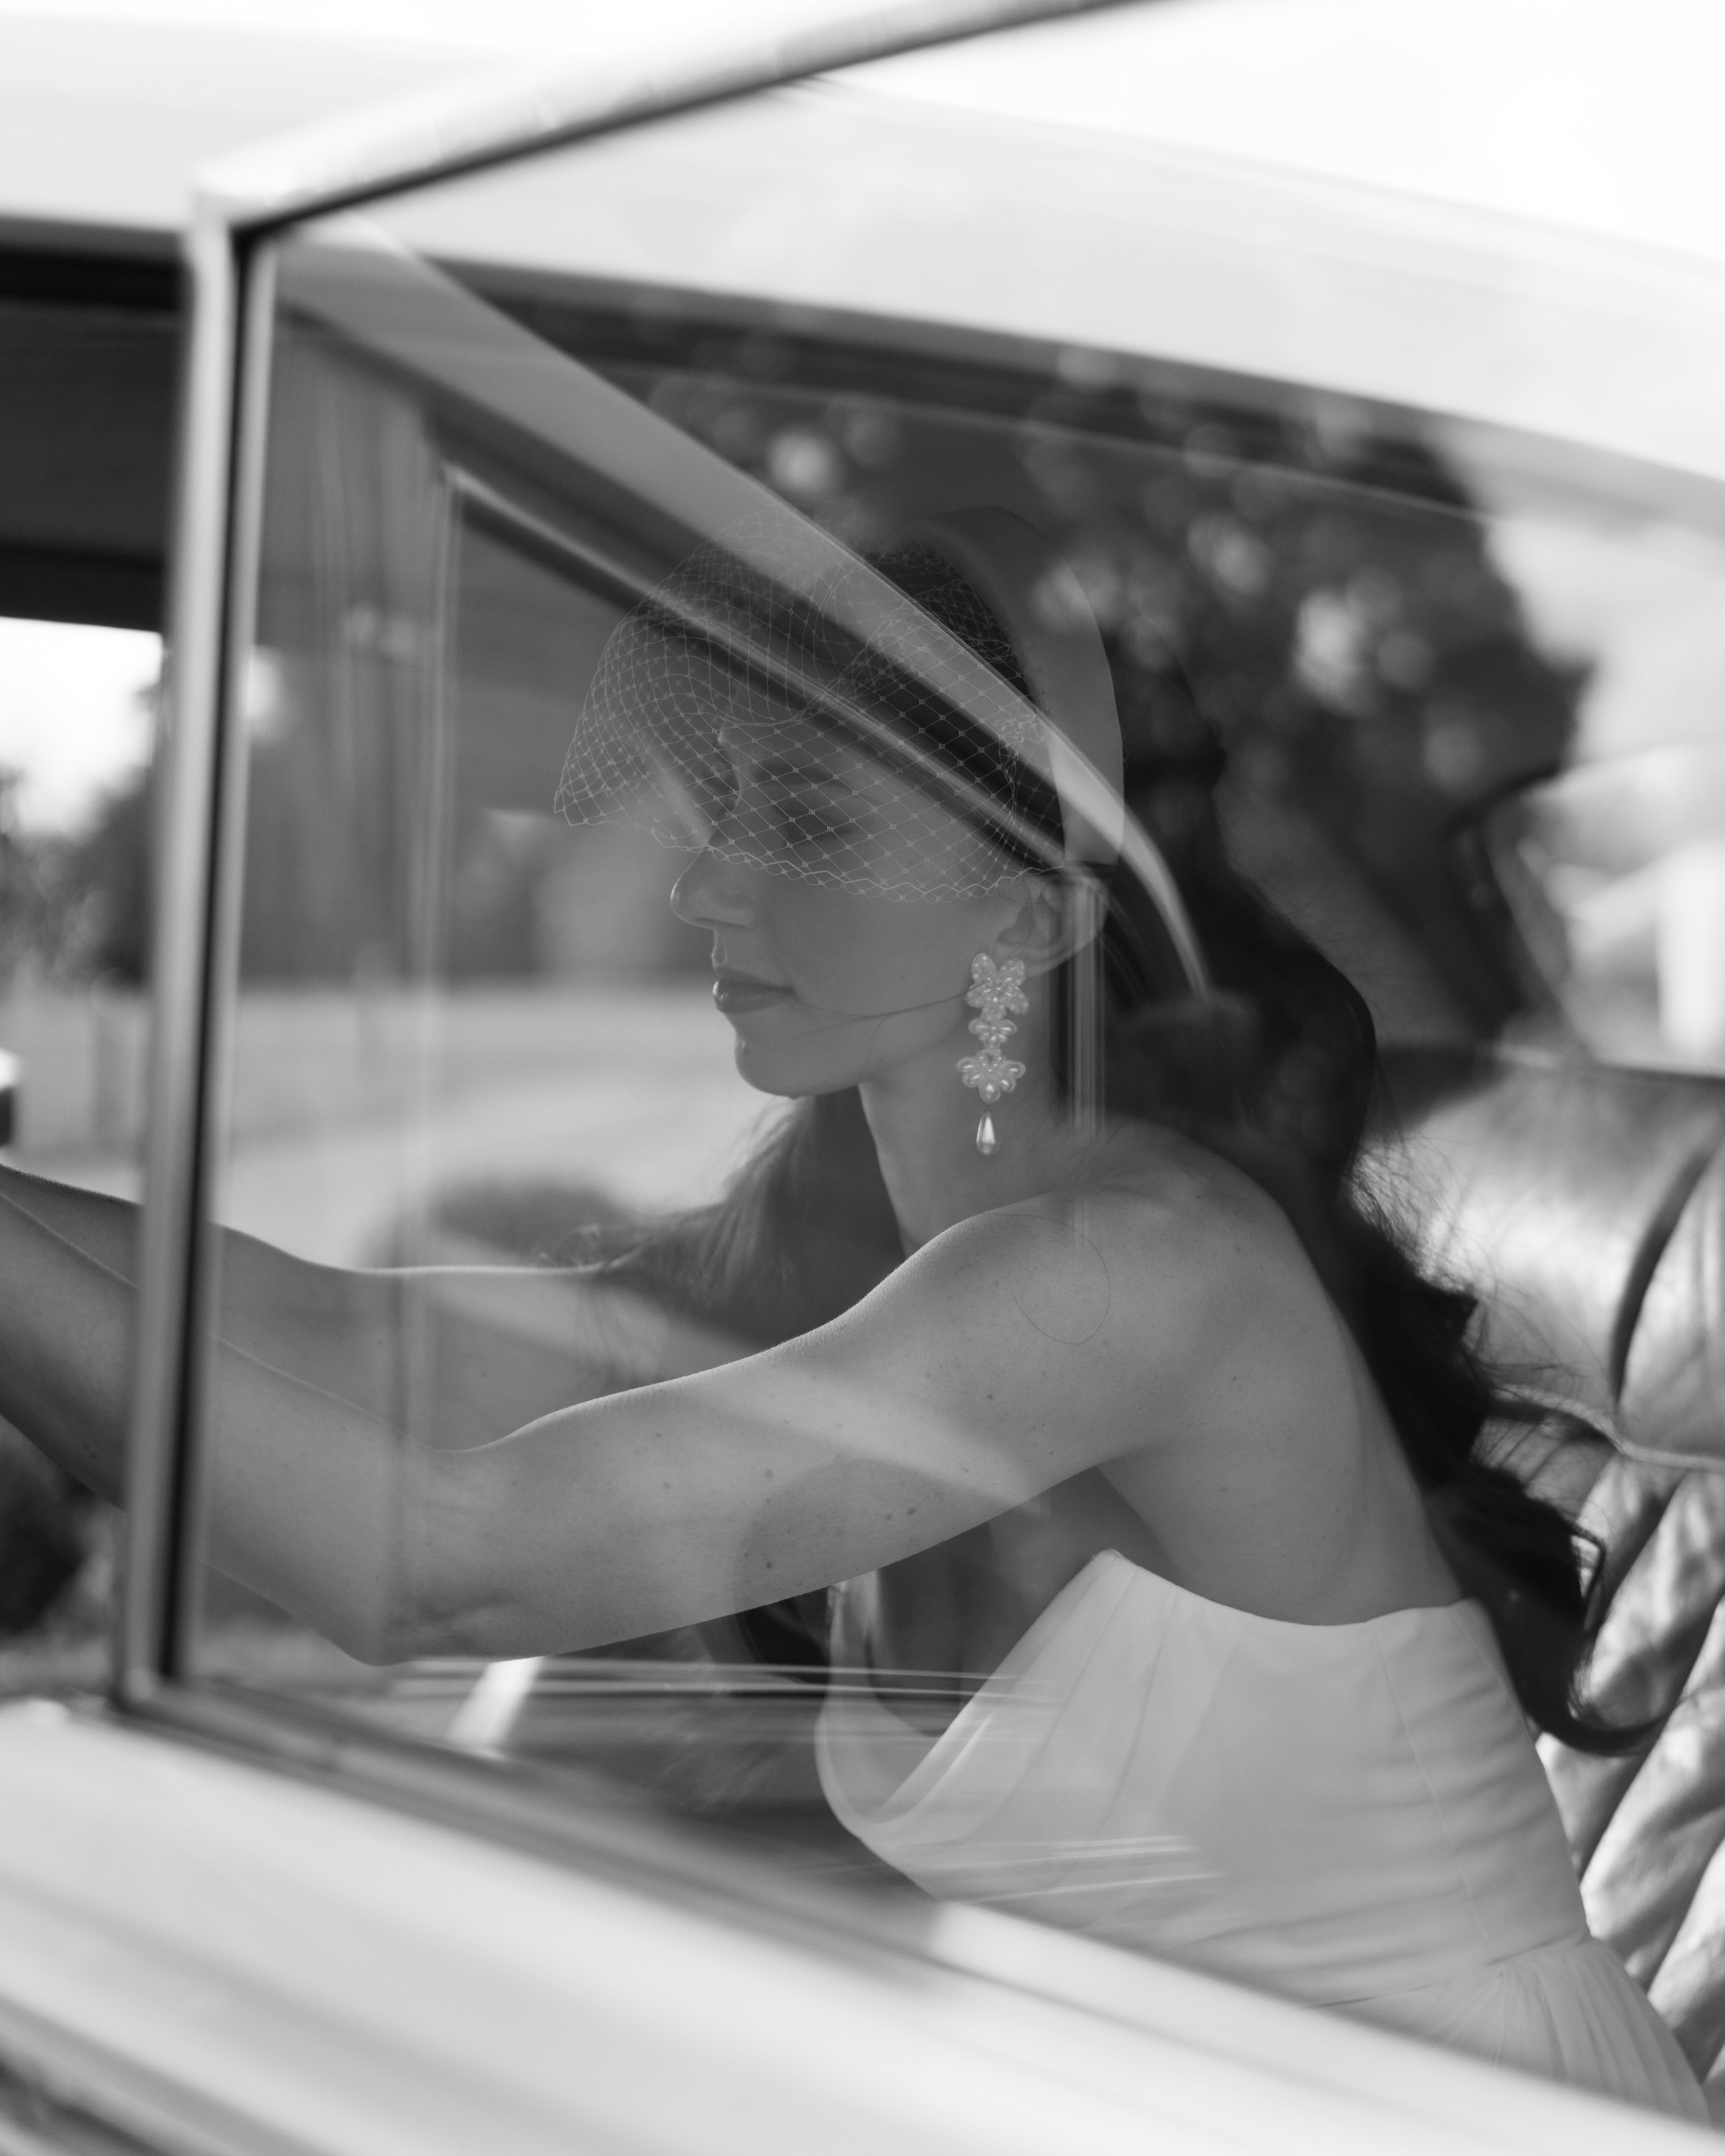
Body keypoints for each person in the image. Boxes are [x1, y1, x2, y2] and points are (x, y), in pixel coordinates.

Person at [0, 506, 1704, 2119]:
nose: (708, 883)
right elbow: (369, 1355)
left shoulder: (1126, 1270)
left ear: (1031, 913)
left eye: (804, 820)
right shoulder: (849, 1255)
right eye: (726, 804)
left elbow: (439, 1559)